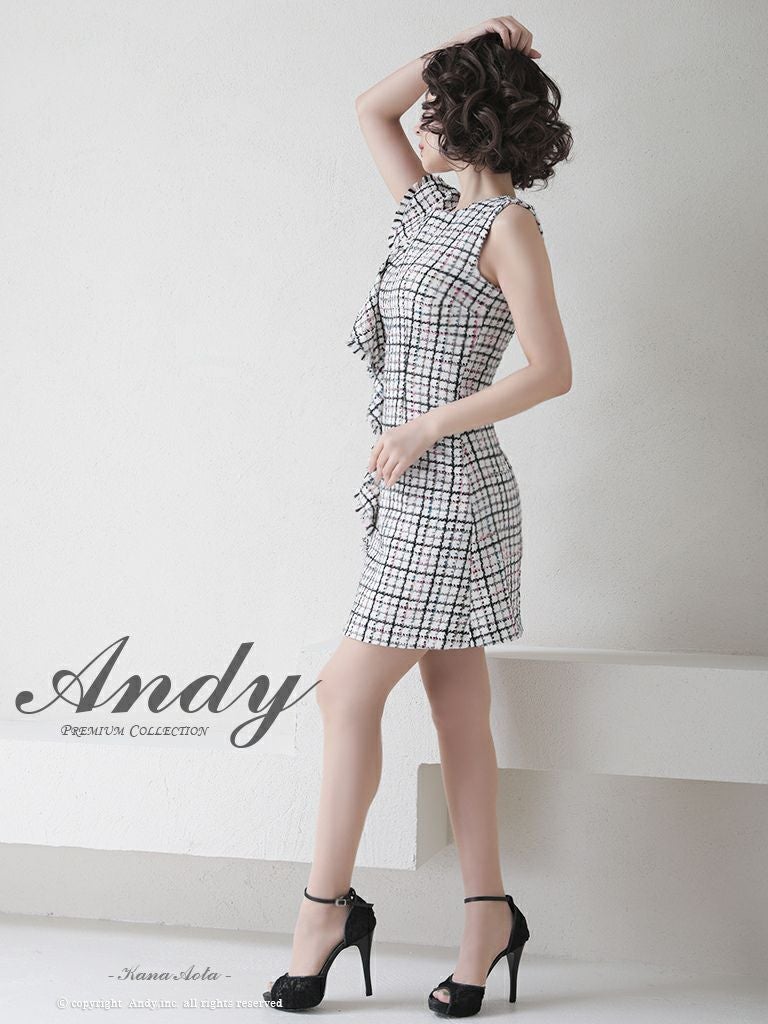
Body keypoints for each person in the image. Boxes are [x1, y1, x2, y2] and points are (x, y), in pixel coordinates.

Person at [264, 13, 573, 1017]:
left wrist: (431, 422)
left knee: (344, 692)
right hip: (410, 495)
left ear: (475, 121)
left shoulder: (507, 227)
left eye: (442, 106)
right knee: (456, 711)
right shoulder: (425, 213)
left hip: (456, 494)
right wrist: (471, 40)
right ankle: (487, 916)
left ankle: (323, 910)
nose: (424, 120)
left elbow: (552, 370)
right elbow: (370, 107)